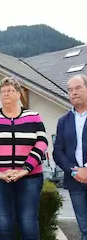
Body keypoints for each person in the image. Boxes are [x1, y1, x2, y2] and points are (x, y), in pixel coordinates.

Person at [0, 77, 48, 240]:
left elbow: (42, 142)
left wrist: (25, 169)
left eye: (10, 90)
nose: (5, 94)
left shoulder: (34, 116)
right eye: (2, 92)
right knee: (3, 223)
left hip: (30, 177)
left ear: (18, 94)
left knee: (28, 222)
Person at [53, 74, 87, 239]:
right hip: (75, 182)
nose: (73, 92)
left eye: (78, 88)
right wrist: (75, 171)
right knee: (84, 228)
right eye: (70, 90)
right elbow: (57, 152)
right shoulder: (63, 121)